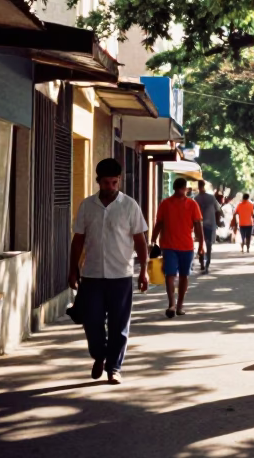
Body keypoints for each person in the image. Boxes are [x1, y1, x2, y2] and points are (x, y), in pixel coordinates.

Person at [68, 158, 149, 384]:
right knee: (91, 322)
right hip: (91, 275)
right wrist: (72, 270)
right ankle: (99, 355)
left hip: (121, 276)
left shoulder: (130, 206)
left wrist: (144, 270)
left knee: (118, 324)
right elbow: (78, 241)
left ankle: (114, 367)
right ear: (98, 182)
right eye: (106, 183)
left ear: (119, 181)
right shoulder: (87, 206)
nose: (111, 187)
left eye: (115, 183)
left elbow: (140, 241)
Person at [151, 177, 205, 318]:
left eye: (183, 189)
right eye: (180, 189)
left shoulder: (191, 204)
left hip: (184, 246)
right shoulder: (167, 204)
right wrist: (152, 239)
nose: (182, 191)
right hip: (172, 246)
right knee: (173, 275)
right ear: (178, 188)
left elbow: (198, 225)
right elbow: (159, 223)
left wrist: (201, 245)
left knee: (181, 276)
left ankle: (178, 304)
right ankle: (173, 304)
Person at [193, 180, 220, 272]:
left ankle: (202, 264)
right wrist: (217, 222)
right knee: (208, 245)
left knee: (201, 244)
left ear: (198, 186)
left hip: (199, 224)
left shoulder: (196, 199)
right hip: (209, 224)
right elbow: (218, 210)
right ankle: (206, 264)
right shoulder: (211, 198)